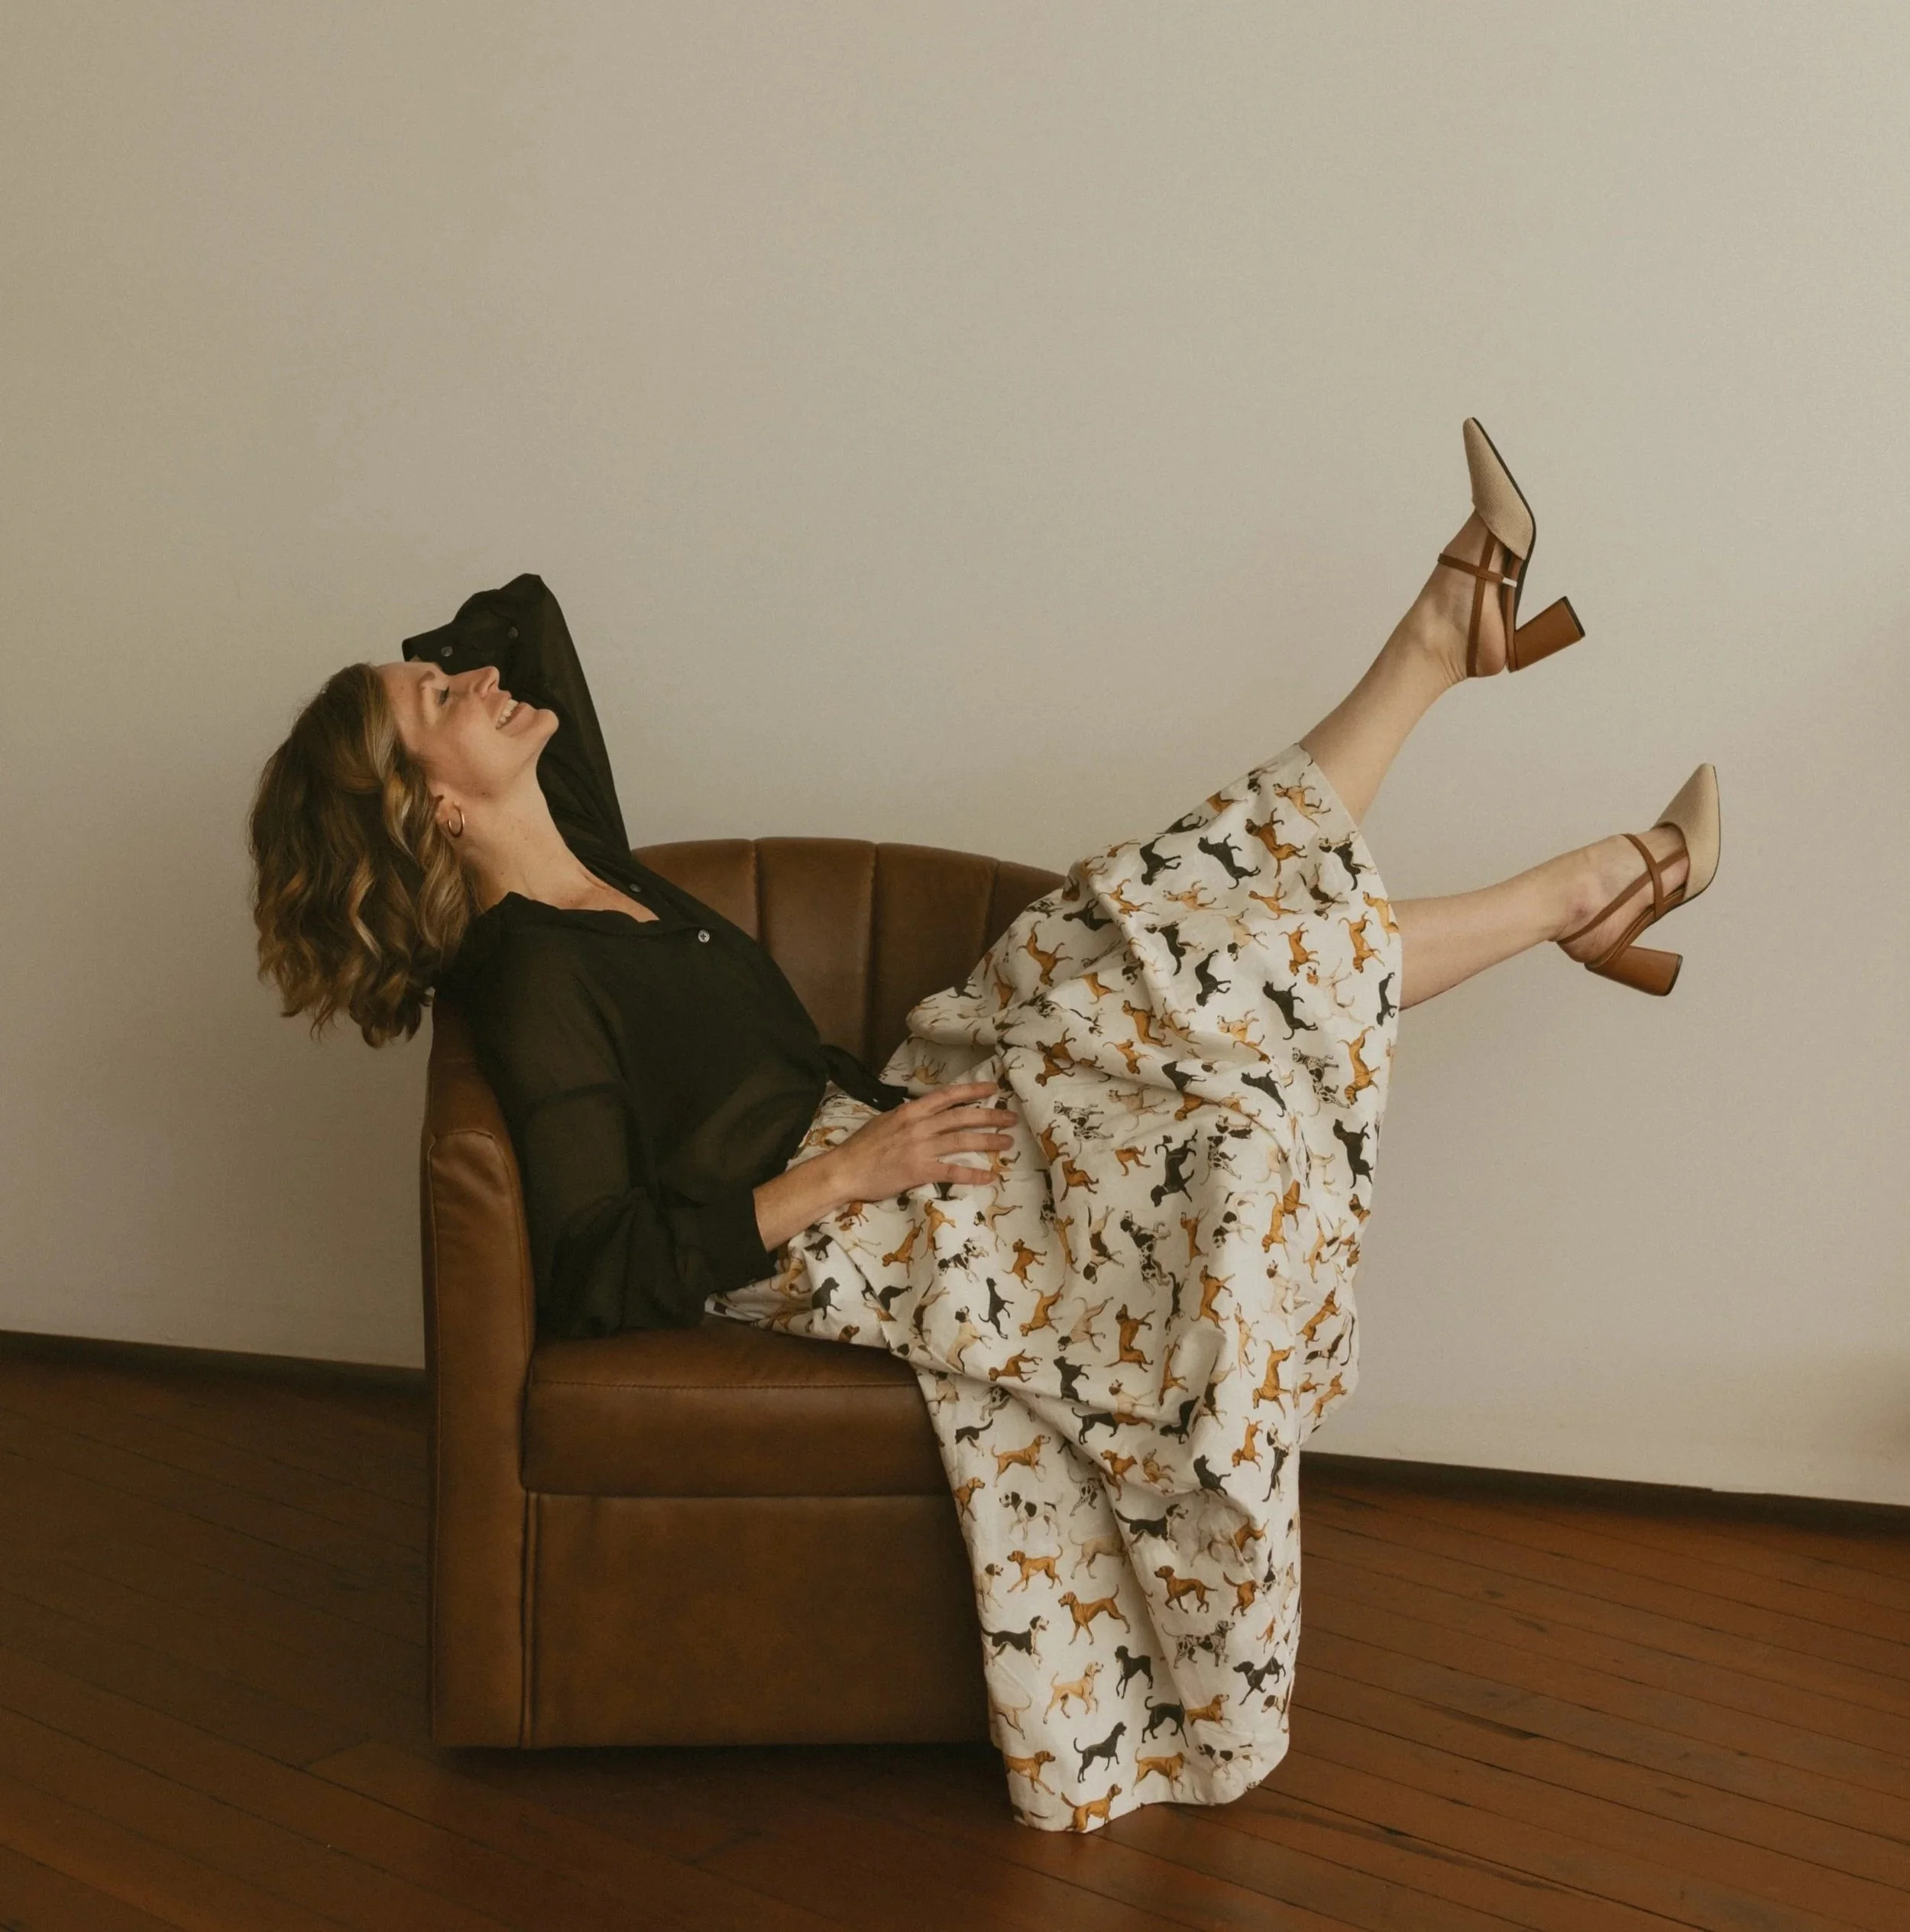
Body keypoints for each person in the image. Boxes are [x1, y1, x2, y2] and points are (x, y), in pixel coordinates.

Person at [248, 419, 1721, 1832]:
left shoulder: (584, 854)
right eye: (442, 699)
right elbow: (586, 1264)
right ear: (430, 809)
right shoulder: (527, 970)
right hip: (856, 1223)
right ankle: (1574, 860)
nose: (478, 677)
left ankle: (1481, 712)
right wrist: (851, 1169)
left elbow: (522, 618)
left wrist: (419, 695)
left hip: (883, 1117)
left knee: (1165, 920)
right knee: (1227, 1059)